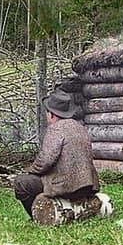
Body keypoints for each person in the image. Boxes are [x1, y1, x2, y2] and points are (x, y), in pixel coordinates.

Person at [13, 88, 110, 225]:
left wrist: (31, 172)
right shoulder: (80, 127)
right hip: (87, 186)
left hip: (67, 187)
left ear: (51, 114)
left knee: (22, 184)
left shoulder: (55, 129)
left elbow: (45, 161)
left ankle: (37, 217)